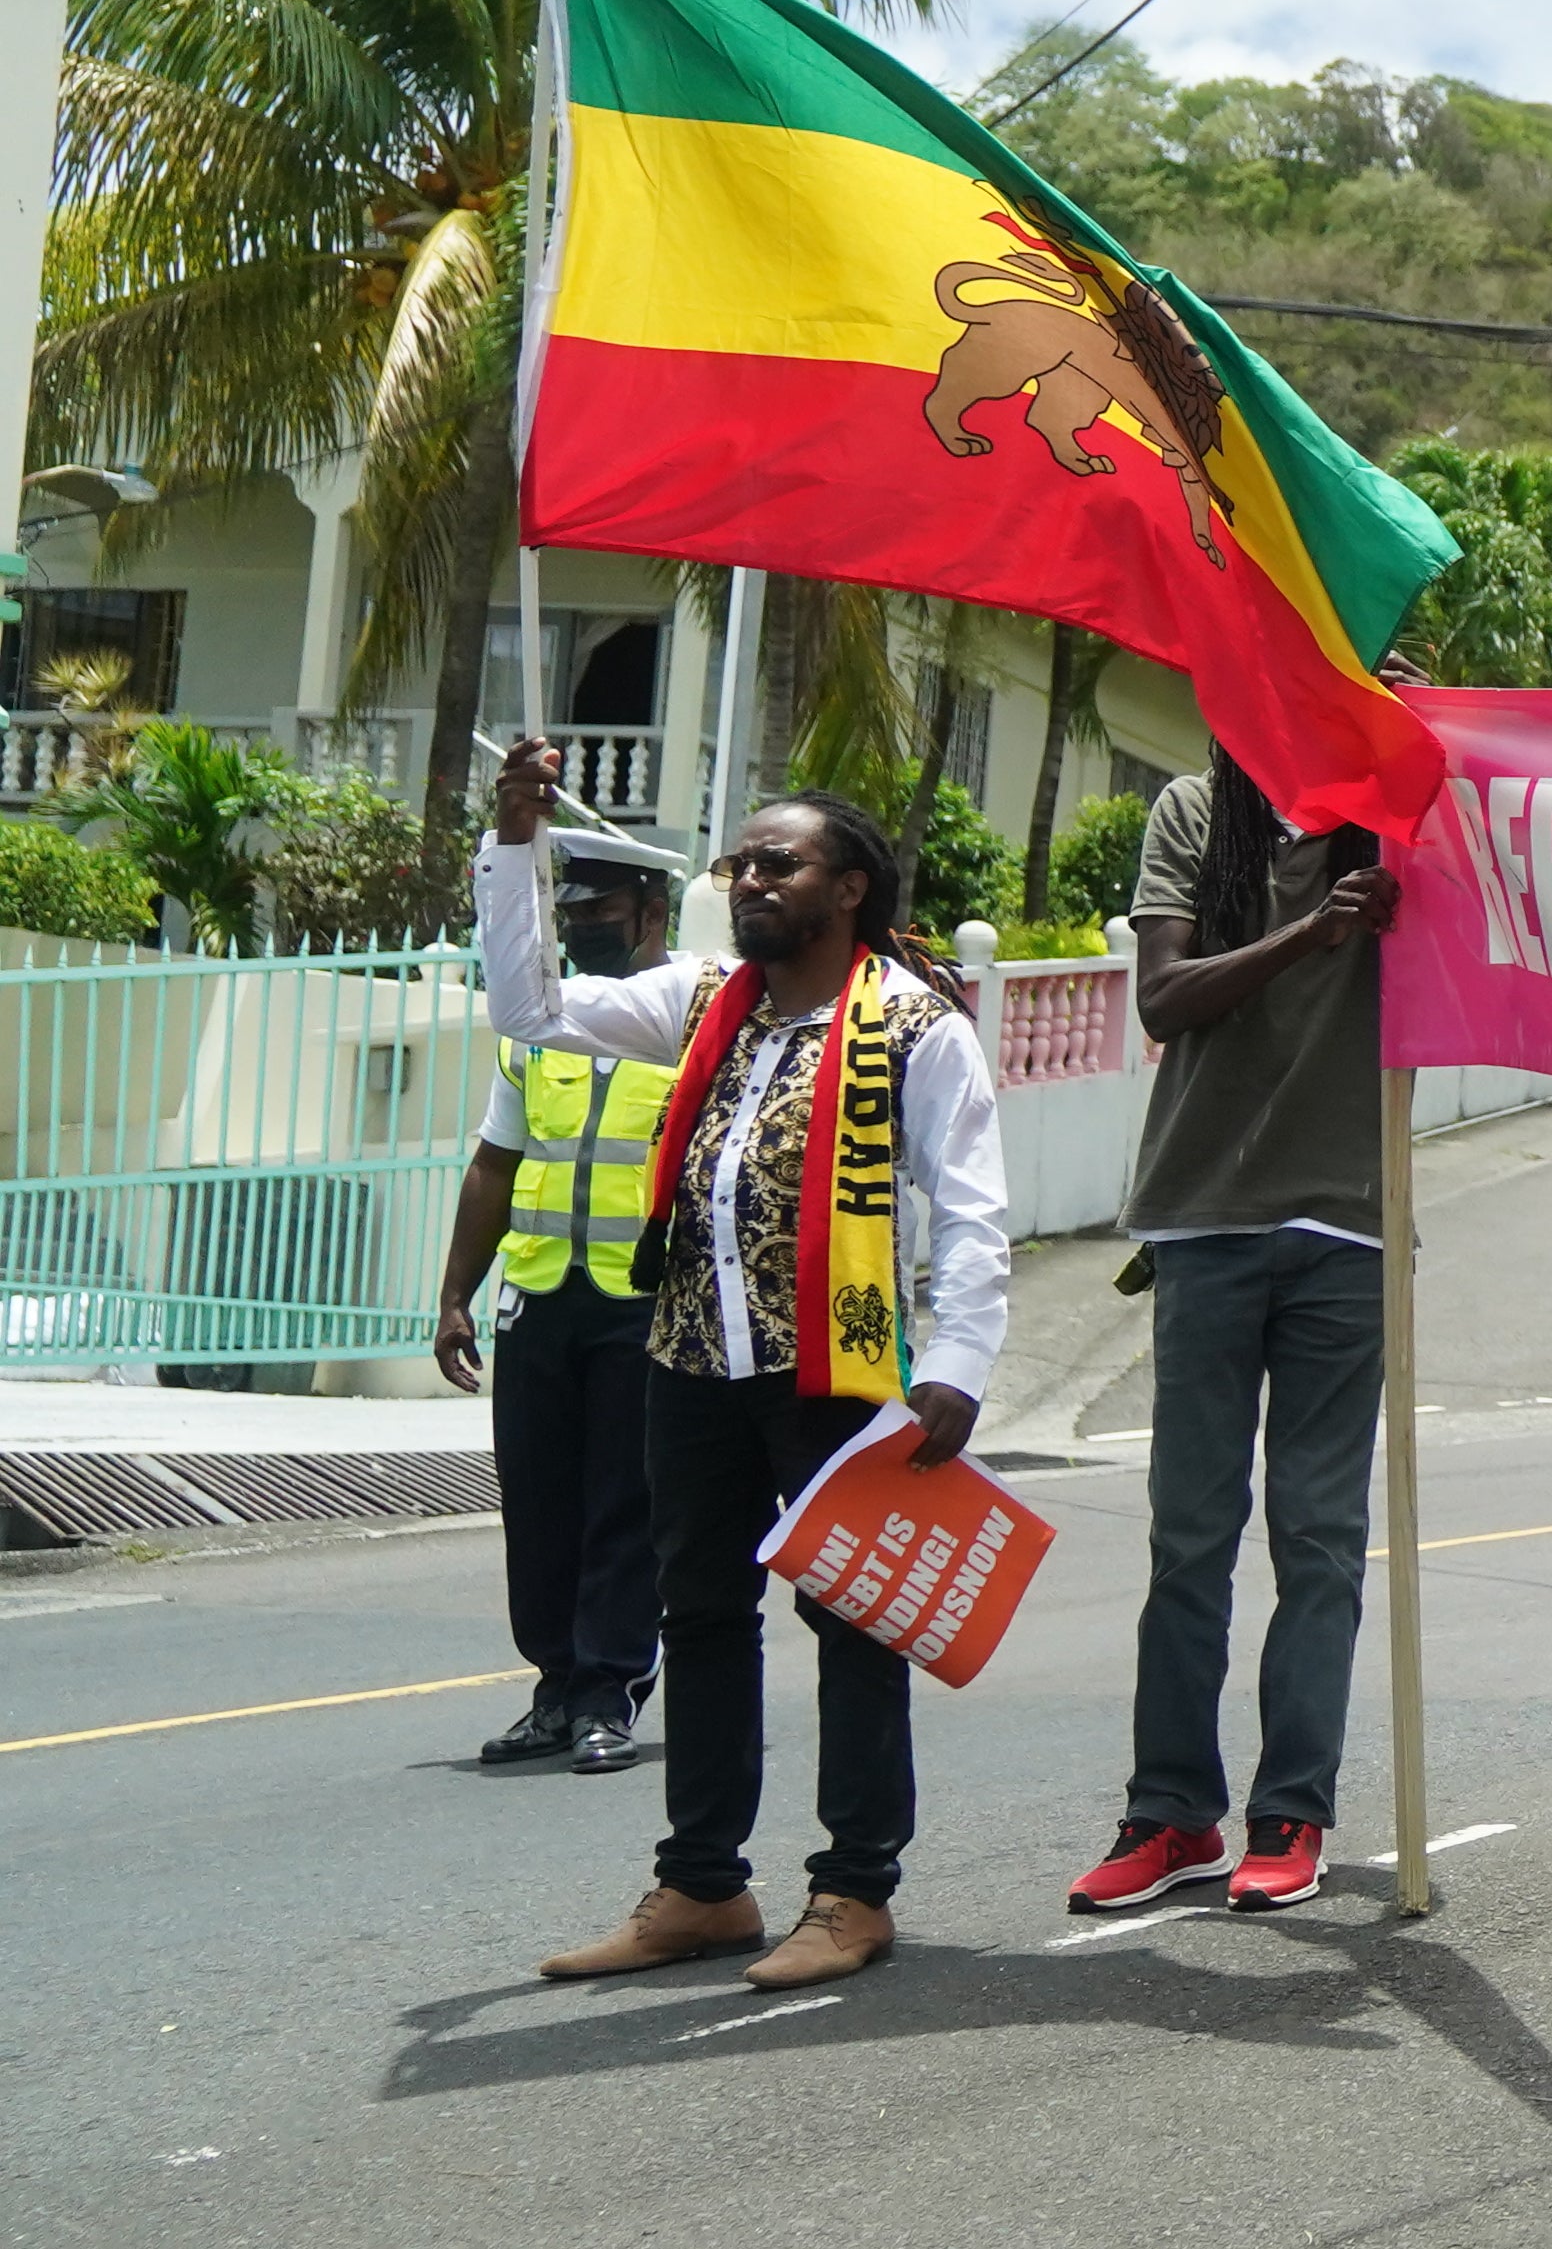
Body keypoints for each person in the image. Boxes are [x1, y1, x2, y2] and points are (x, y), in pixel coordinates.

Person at [479, 738, 1007, 1994]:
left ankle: (854, 1889)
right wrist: (515, 843)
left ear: (849, 890)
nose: (752, 878)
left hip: (839, 1365)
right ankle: (705, 1884)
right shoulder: (701, 1000)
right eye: (742, 862)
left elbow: (974, 1211)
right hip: (690, 1358)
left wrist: (961, 1362)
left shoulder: (916, 1025)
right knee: (701, 1614)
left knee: (855, 1621)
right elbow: (530, 1010)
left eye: (783, 862)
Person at [1067, 754, 1403, 1920]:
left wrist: (1415, 747)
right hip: (1203, 1213)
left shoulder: (1398, 811)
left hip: (1350, 1221)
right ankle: (1170, 1812)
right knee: (1190, 1534)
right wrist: (1314, 930)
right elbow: (1164, 996)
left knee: (1320, 1537)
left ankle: (1291, 1810)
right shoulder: (1194, 811)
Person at [433, 819, 686, 1773]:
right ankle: (554, 1687)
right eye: (567, 913)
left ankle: (608, 1693)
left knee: (624, 1505)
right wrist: (459, 1292)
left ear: (653, 913)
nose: (578, 929)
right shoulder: (537, 1029)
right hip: (539, 1297)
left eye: (598, 912)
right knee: (538, 1507)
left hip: (643, 1299)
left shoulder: (686, 1017)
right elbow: (494, 1165)